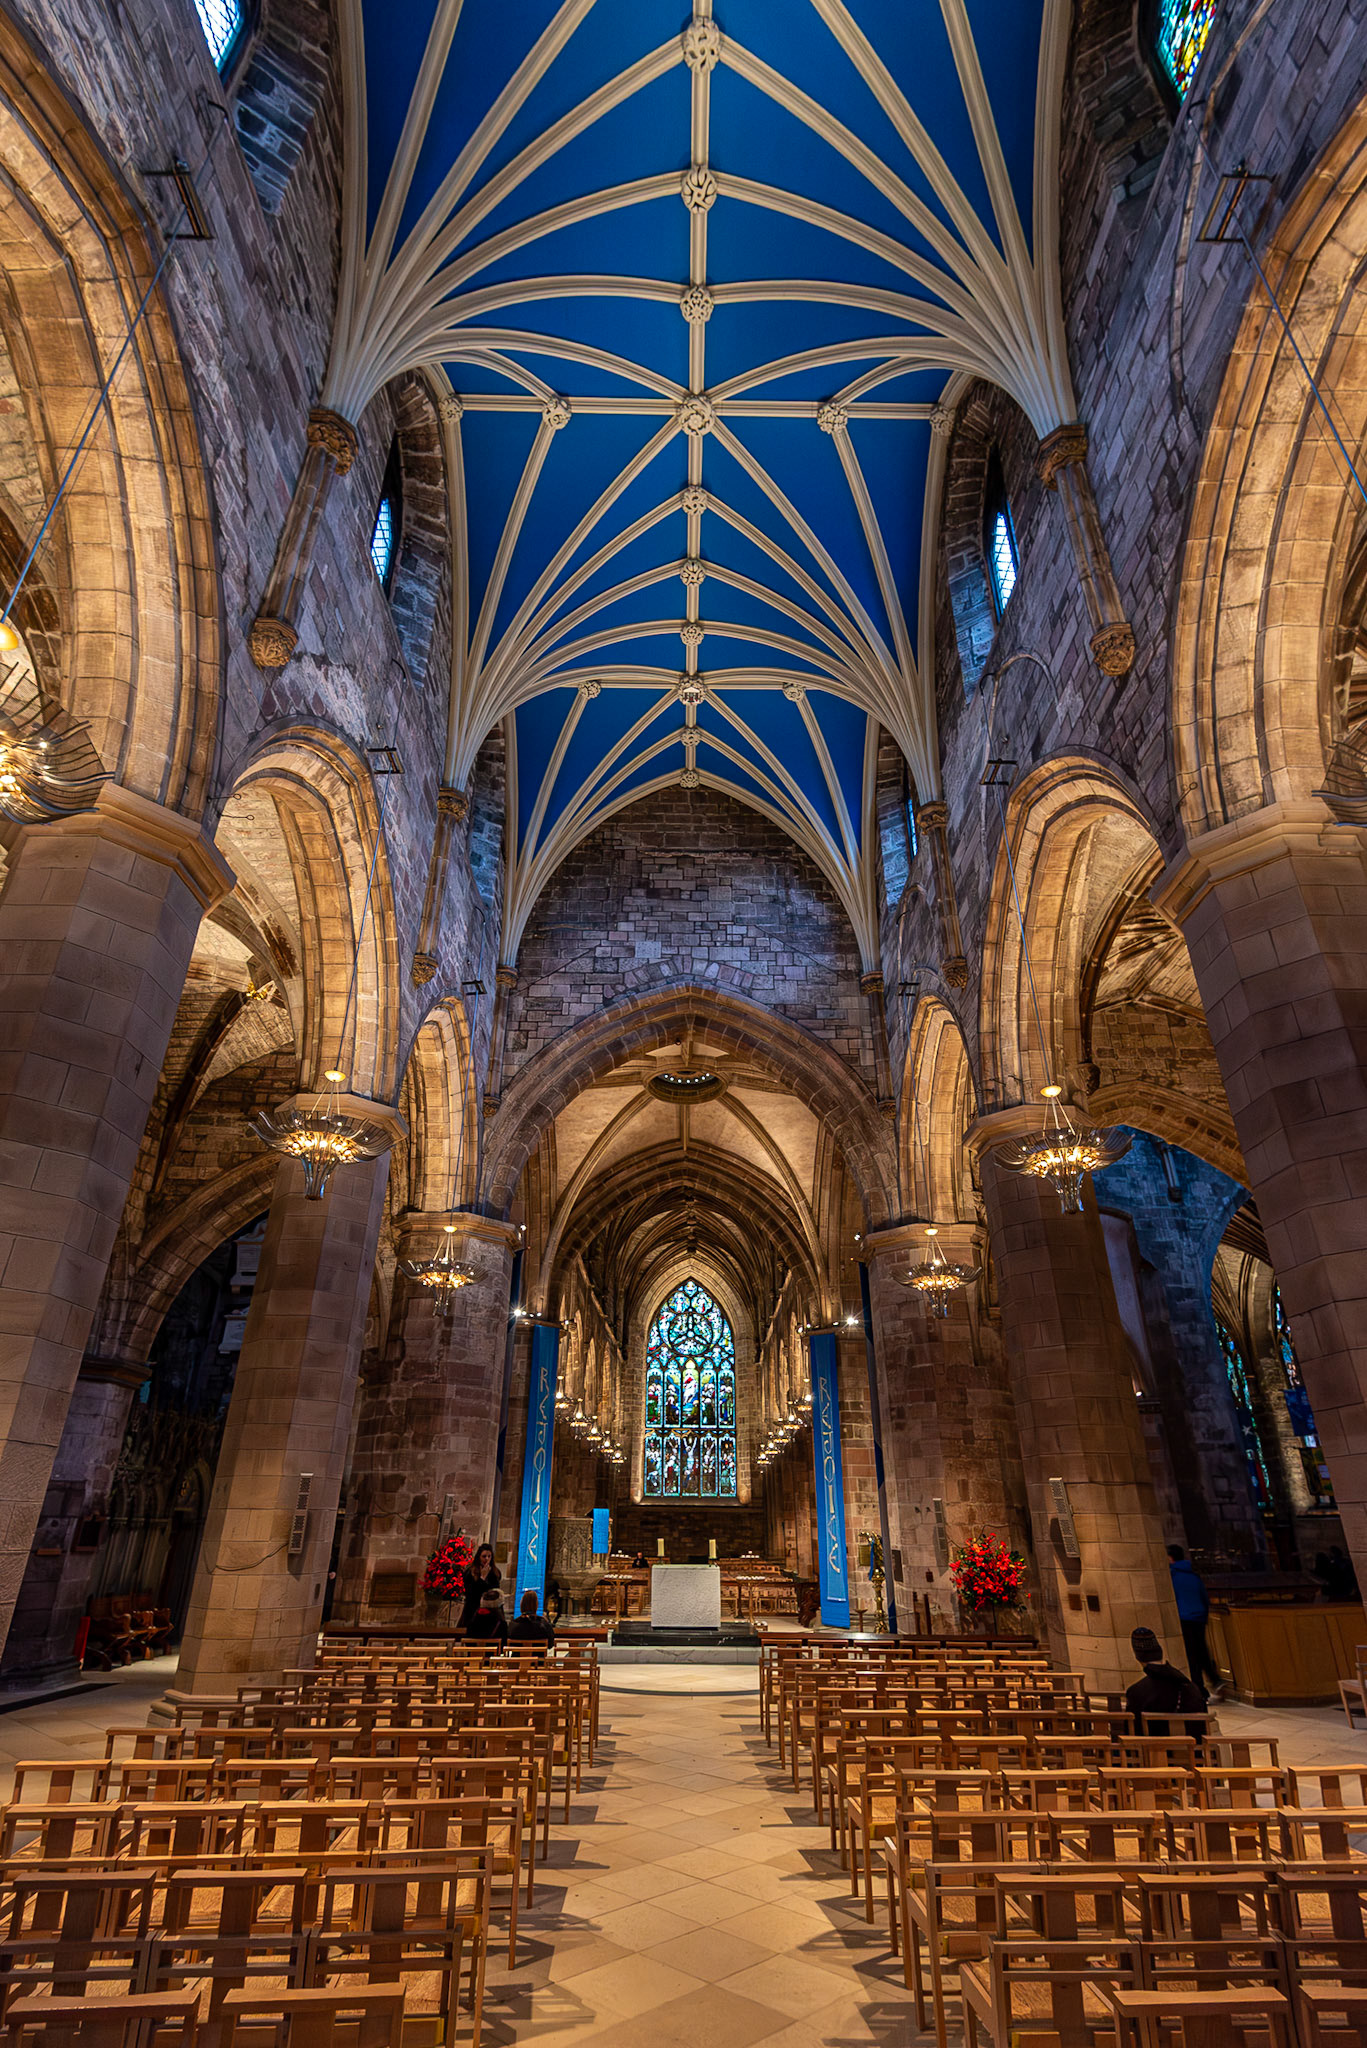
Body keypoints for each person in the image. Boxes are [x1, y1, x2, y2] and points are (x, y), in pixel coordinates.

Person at [1167, 1544, 1224, 1700]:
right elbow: (1204, 1597)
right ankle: (1215, 1680)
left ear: (1169, 1558)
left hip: (1183, 1618)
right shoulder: (1193, 1574)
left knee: (1191, 1656)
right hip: (1198, 1616)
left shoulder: (1171, 1575)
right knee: (1201, 1650)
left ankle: (1200, 1691)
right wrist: (1204, 1616)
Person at [1126, 1627, 1206, 1734]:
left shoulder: (1136, 1692)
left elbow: (1133, 1734)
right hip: (1192, 1749)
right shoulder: (1191, 1687)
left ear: (1138, 1658)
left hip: (1155, 1749)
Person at [460, 1543, 500, 1631]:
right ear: (479, 1557)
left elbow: (496, 1592)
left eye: (489, 1556)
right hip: (473, 1610)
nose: (487, 1559)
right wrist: (482, 1578)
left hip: (490, 1612)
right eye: (484, 1556)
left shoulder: (495, 1572)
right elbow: (471, 1594)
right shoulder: (470, 1572)